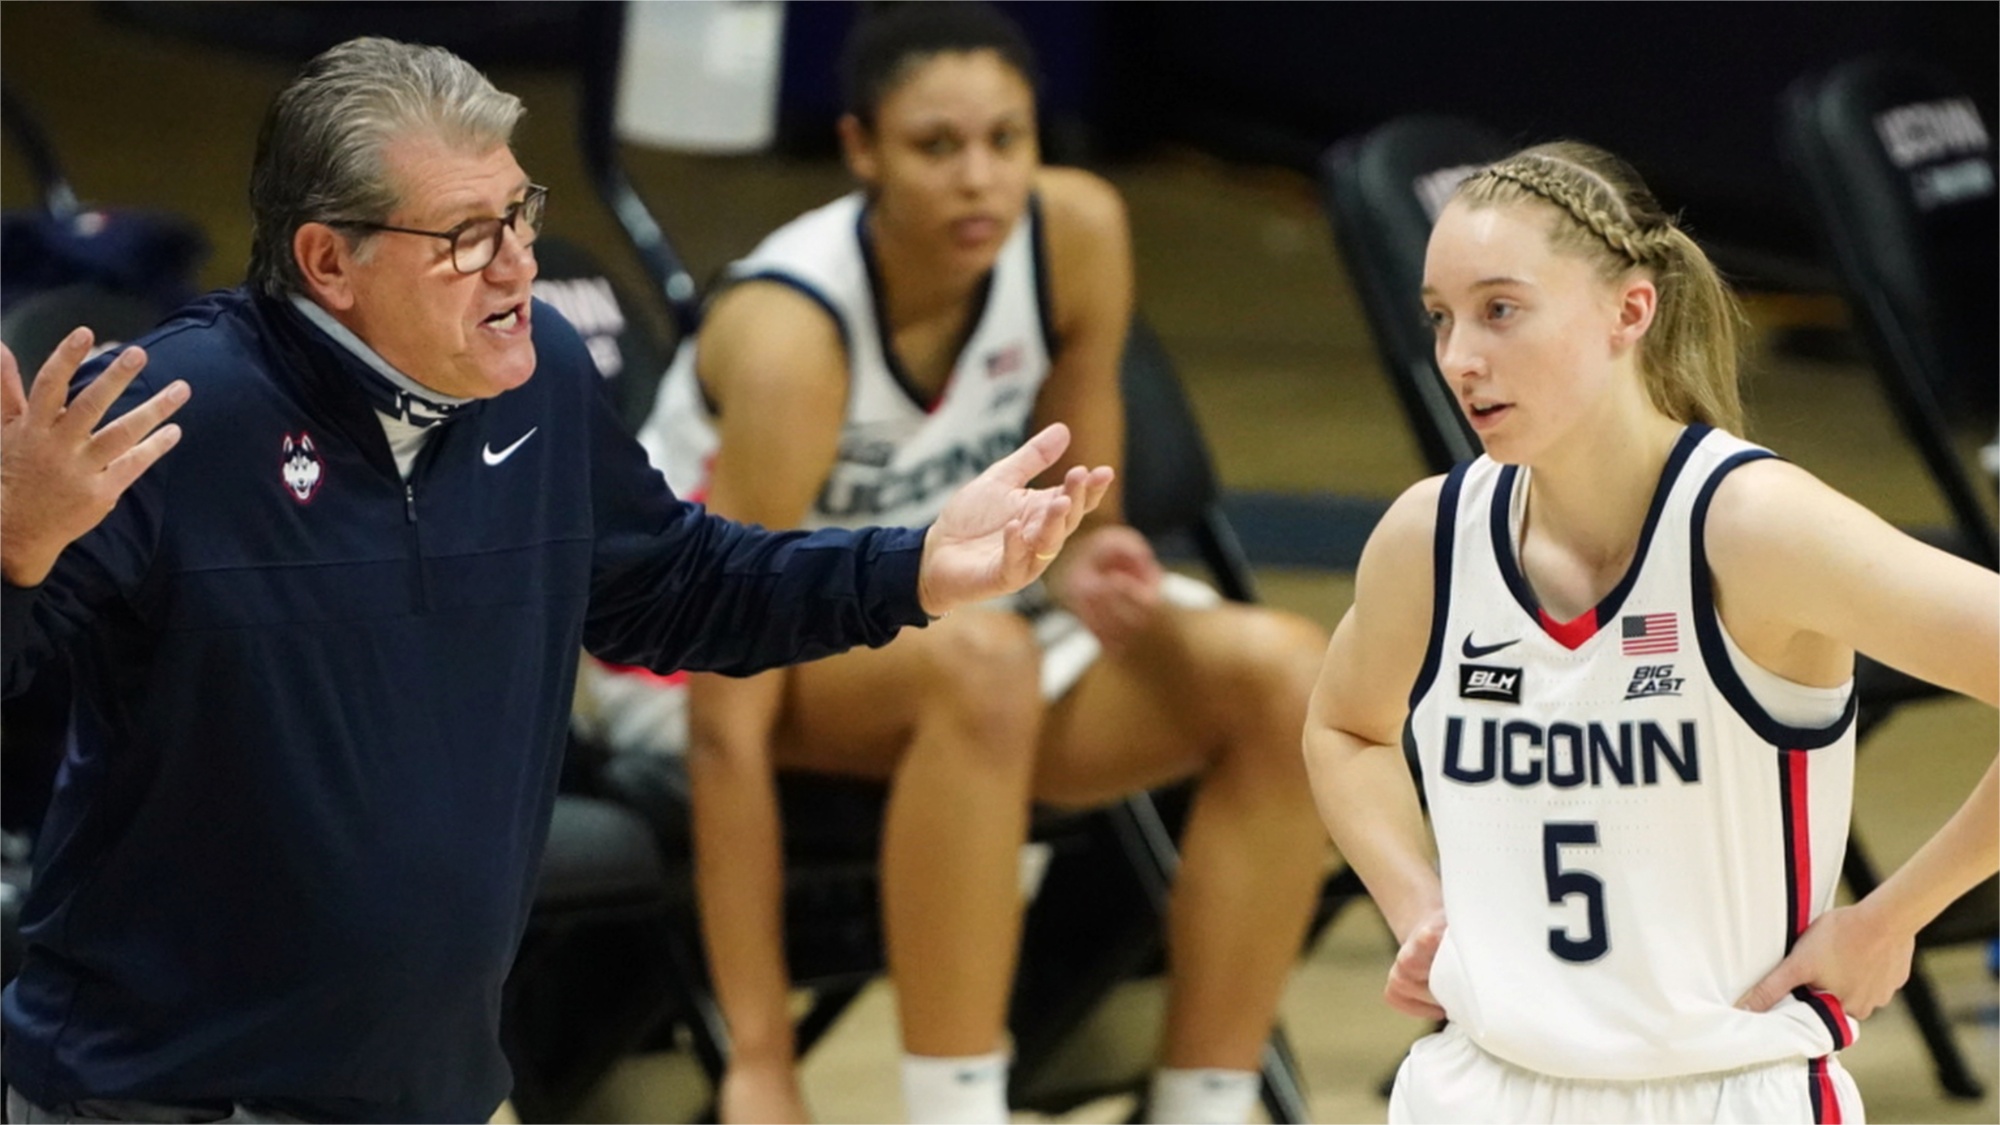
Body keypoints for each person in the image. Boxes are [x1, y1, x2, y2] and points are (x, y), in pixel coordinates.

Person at [0, 36, 1114, 1125]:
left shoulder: (539, 382)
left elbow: (679, 587)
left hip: (422, 1086)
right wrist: (11, 554)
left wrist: (913, 565)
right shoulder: (163, 417)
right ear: (327, 262)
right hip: (154, 1093)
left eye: (521, 215)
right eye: (465, 237)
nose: (520, 265)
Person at [576, 5, 1331, 1123]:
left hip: (956, 643)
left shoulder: (1075, 232)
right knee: (977, 662)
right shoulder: (794, 338)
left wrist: (1081, 565)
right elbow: (726, 710)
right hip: (693, 663)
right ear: (860, 151)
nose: (980, 178)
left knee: (1285, 676)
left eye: (1006, 140)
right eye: (936, 147)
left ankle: (1201, 1108)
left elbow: (1077, 472)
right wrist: (761, 1054)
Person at [1302, 140, 1998, 1123]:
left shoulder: (1750, 527)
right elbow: (1342, 728)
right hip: (1474, 1088)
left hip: (1719, 1093)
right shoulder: (1429, 538)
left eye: (1499, 310)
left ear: (1629, 310)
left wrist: (1891, 921)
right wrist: (1415, 903)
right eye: (1439, 318)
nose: (1458, 356)